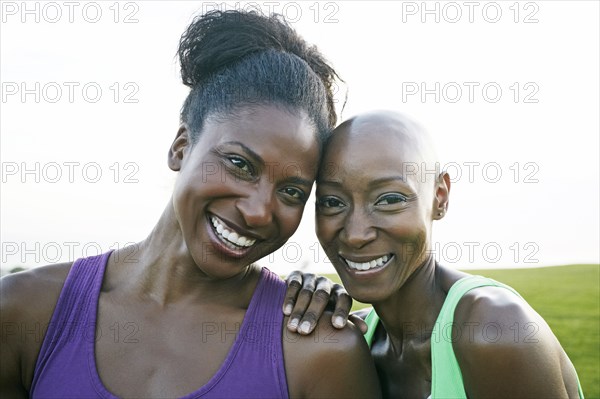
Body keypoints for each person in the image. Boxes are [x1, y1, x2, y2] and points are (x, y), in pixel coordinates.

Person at [0, 10, 380, 399]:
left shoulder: (317, 351)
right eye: (239, 164)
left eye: (292, 192)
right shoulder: (26, 313)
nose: (257, 211)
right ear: (181, 147)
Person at [283, 111, 584, 398]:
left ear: (439, 197)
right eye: (332, 202)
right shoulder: (355, 338)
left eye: (389, 199)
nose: (356, 234)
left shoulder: (495, 331)